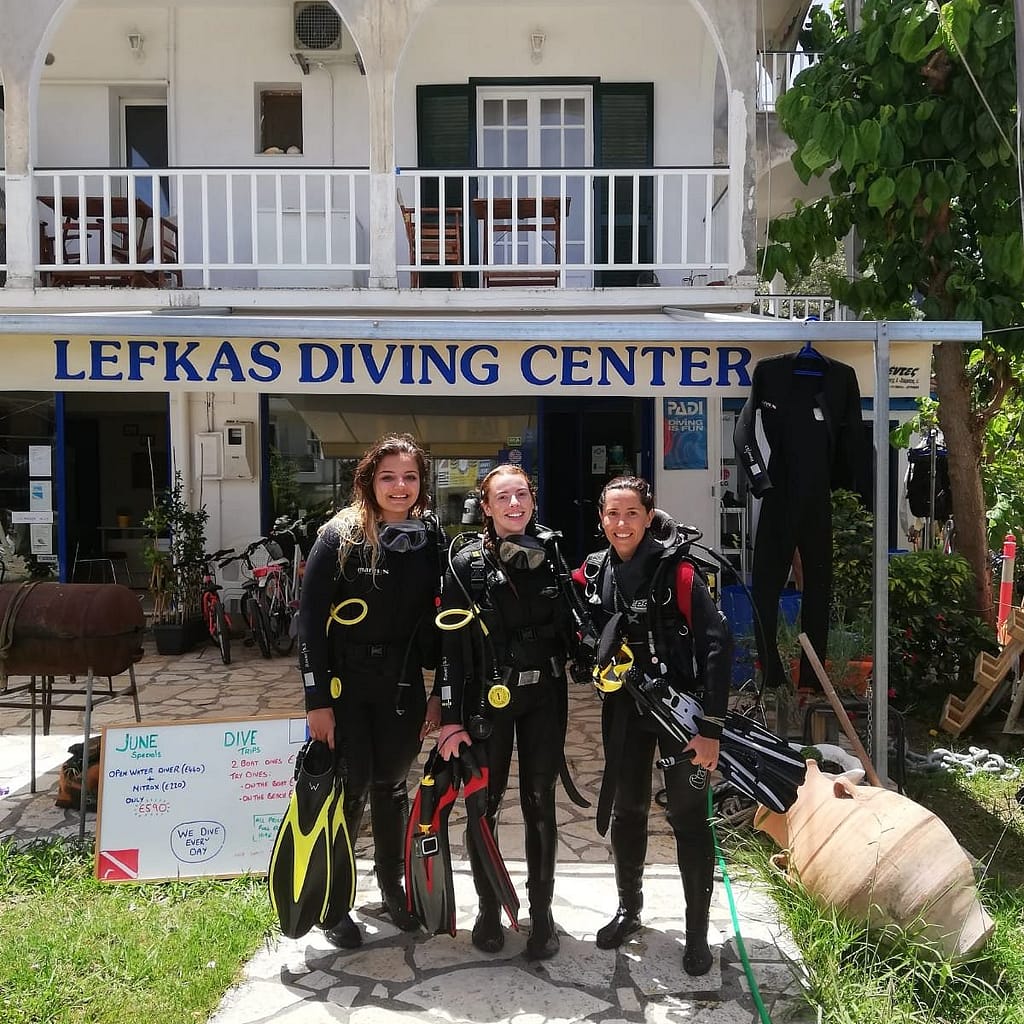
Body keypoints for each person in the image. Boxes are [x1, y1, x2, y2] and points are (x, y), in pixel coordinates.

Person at [574, 476, 732, 976]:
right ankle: (629, 909)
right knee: (628, 812)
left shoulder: (678, 574)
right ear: (601, 520)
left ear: (648, 517)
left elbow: (717, 645)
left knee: (688, 818)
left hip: (680, 715)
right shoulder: (592, 572)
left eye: (631, 514)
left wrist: (710, 728)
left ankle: (698, 932)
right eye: (612, 515)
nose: (621, 524)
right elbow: (566, 614)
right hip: (624, 713)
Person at [297, 433, 443, 949]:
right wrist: (317, 701)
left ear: (421, 484)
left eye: (409, 477)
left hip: (403, 684)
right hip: (347, 686)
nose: (399, 486)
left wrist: (438, 693)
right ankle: (335, 904)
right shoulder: (339, 537)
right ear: (368, 481)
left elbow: (442, 626)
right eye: (388, 477)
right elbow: (310, 622)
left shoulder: (429, 540)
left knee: (392, 786)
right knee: (350, 788)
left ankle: (392, 887)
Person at [435, 464, 576, 960]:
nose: (514, 504)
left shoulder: (555, 553)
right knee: (484, 805)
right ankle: (488, 911)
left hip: (545, 697)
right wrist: (450, 717)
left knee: (540, 801)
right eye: (503, 497)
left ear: (532, 500)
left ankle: (542, 916)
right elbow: (450, 644)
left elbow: (576, 622)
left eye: (522, 495)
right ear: (486, 506)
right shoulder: (464, 564)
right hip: (486, 701)